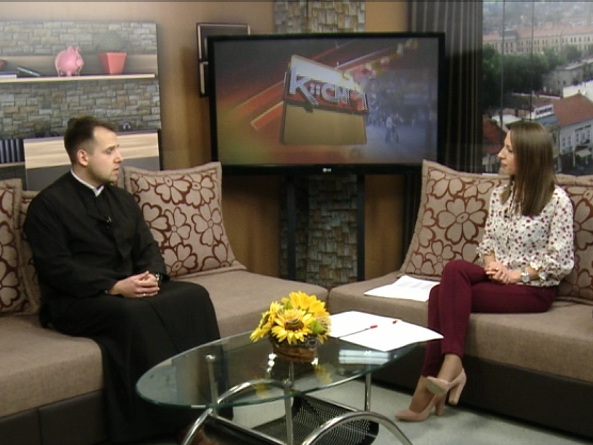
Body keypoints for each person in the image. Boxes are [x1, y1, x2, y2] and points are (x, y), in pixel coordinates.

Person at [24, 116, 221, 445]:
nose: (120, 157)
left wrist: (152, 276)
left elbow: (148, 248)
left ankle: (210, 406)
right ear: (83, 156)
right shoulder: (47, 206)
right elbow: (56, 268)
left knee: (194, 296)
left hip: (129, 289)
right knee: (135, 314)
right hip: (77, 300)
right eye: (110, 151)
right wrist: (114, 286)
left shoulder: (123, 199)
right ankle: (176, 426)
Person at [395, 120, 574, 422]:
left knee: (440, 295)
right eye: (503, 147)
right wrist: (492, 264)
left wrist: (515, 275)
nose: (500, 154)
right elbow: (488, 241)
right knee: (453, 271)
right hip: (498, 277)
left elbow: (560, 260)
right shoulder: (501, 195)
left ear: (530, 156)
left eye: (509, 150)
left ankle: (429, 385)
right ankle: (452, 363)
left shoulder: (557, 201)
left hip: (532, 289)